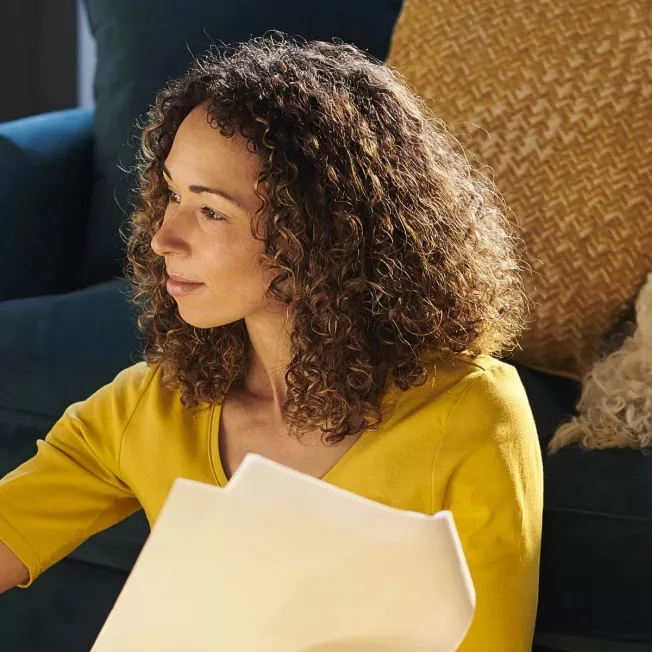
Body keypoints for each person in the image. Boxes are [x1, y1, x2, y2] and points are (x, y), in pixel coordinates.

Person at [0, 36, 542, 650]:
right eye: (173, 194)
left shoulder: (472, 414)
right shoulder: (151, 408)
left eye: (211, 212)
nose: (162, 239)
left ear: (316, 234)